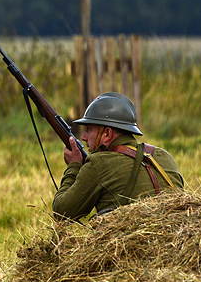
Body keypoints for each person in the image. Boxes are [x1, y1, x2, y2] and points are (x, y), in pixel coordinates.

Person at [53, 92, 185, 221]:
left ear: (107, 134)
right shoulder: (164, 156)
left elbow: (62, 212)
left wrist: (74, 166)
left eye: (88, 129)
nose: (83, 137)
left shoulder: (99, 163)